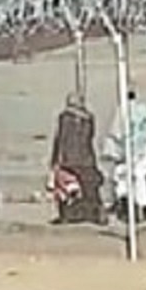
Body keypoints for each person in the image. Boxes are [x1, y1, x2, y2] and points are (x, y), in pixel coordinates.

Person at [47, 93, 105, 225]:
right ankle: (92, 215)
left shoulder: (65, 118)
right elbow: (89, 137)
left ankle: (67, 216)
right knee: (89, 189)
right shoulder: (89, 119)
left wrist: (55, 160)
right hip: (86, 158)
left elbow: (60, 139)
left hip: (69, 160)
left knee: (64, 189)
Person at [104, 90, 146, 223]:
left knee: (123, 183)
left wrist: (114, 155)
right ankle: (142, 213)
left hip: (128, 157)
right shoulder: (144, 112)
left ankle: (127, 213)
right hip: (143, 157)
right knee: (141, 183)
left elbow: (115, 135)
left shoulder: (122, 112)